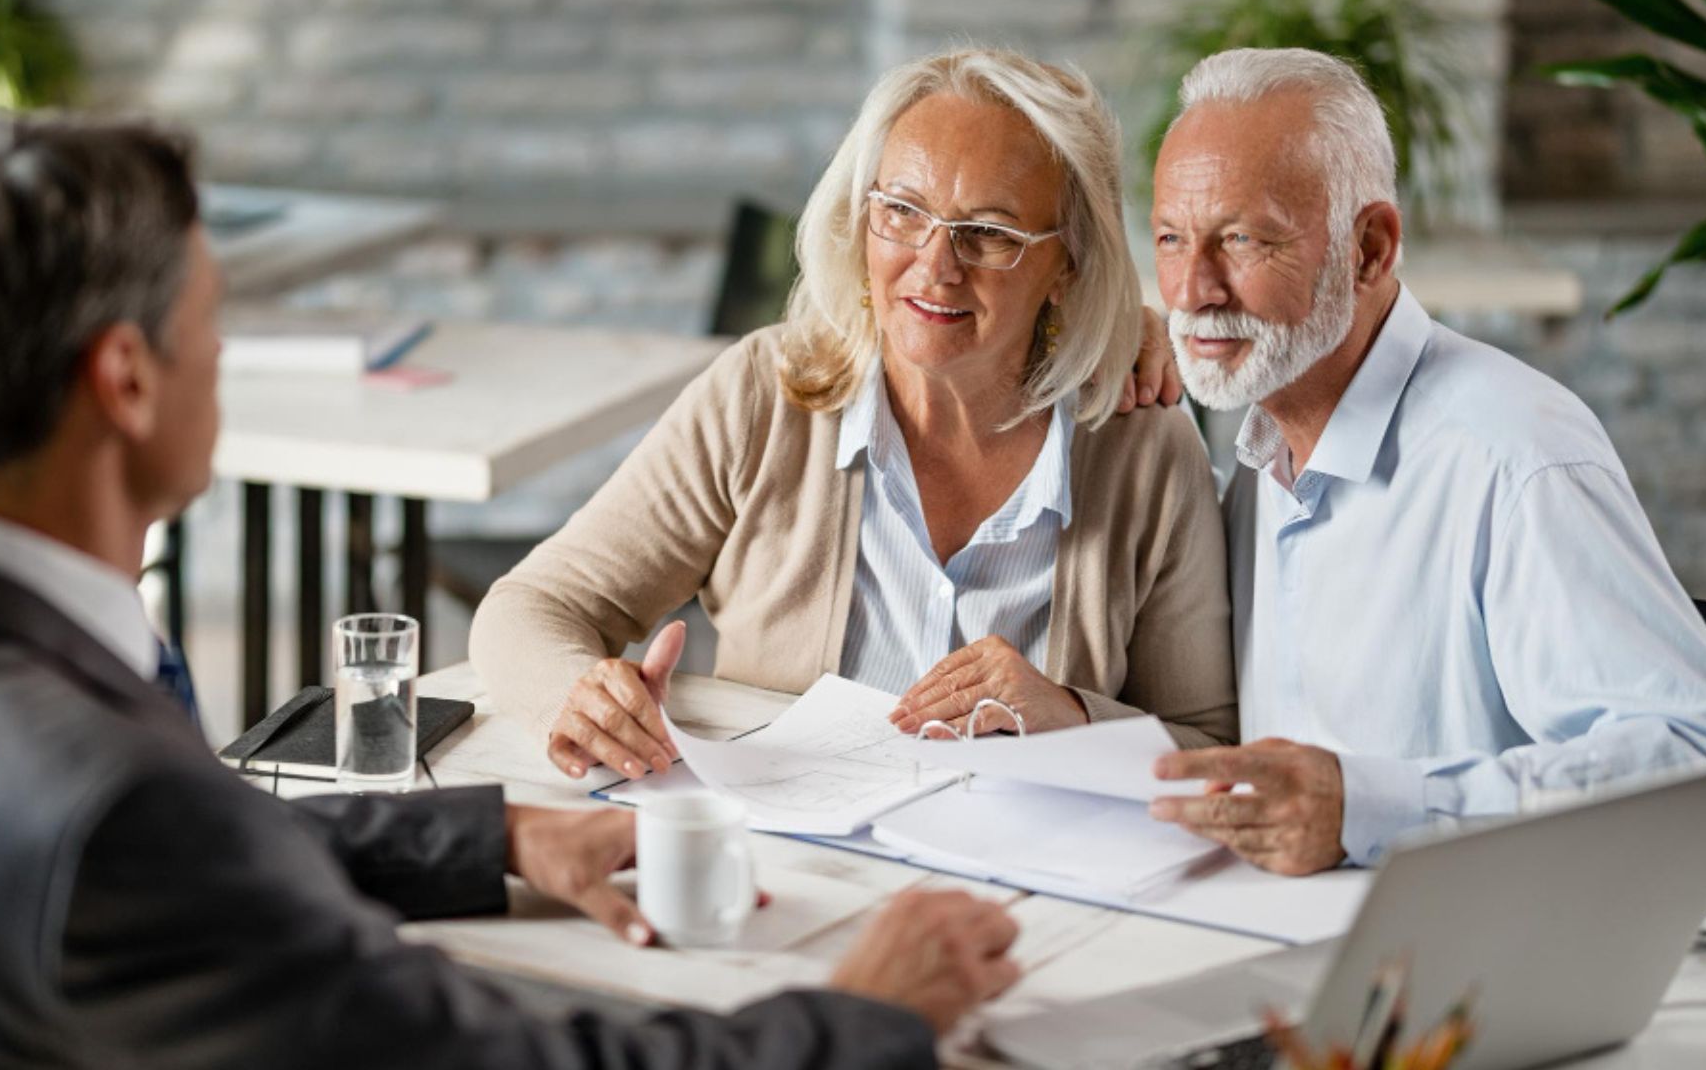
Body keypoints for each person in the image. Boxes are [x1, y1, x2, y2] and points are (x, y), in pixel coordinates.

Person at [0, 117, 1024, 1070]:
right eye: (211, 320)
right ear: (126, 379)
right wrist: (864, 1018)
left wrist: (490, 834)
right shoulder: (112, 803)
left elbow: (187, 863)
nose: (224, 357)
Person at [471, 48, 1234, 782]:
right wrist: (580, 696)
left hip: (1026, 894)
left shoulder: (1144, 444)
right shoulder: (764, 397)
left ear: (1067, 262)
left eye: (991, 234)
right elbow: (533, 608)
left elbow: (1208, 742)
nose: (935, 266)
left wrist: (1070, 715)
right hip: (790, 868)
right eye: (902, 212)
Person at [1144, 48, 1706, 874]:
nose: (1192, 289)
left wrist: (1376, 810)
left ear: (1372, 248)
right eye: (1172, 238)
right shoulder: (1259, 447)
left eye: (1243, 239)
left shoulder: (1517, 457)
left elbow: (1699, 761)